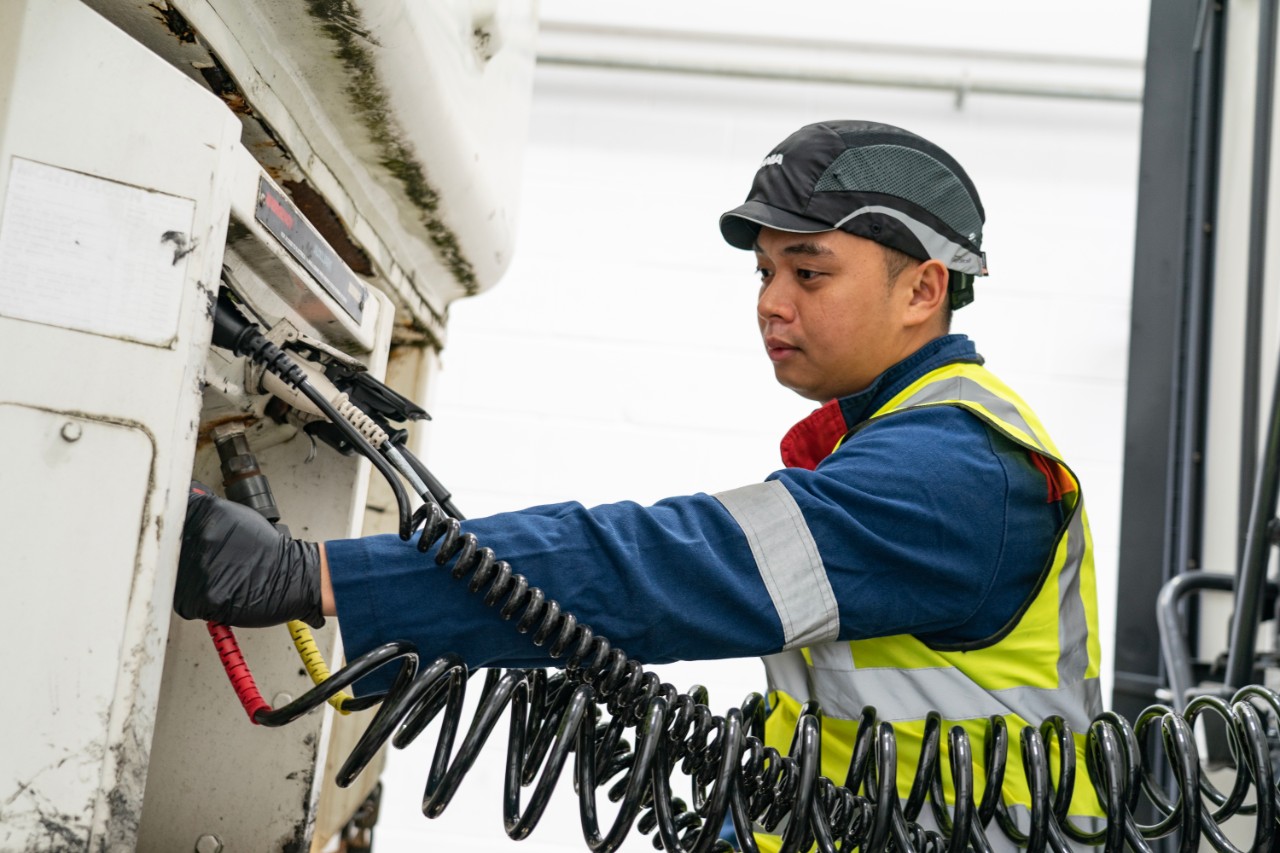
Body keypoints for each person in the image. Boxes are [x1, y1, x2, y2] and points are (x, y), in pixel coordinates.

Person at [176, 120, 1104, 850]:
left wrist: (321, 576)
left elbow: (666, 567)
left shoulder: (956, 473)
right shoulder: (899, 442)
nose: (771, 302)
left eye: (810, 272)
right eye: (765, 270)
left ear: (922, 290)